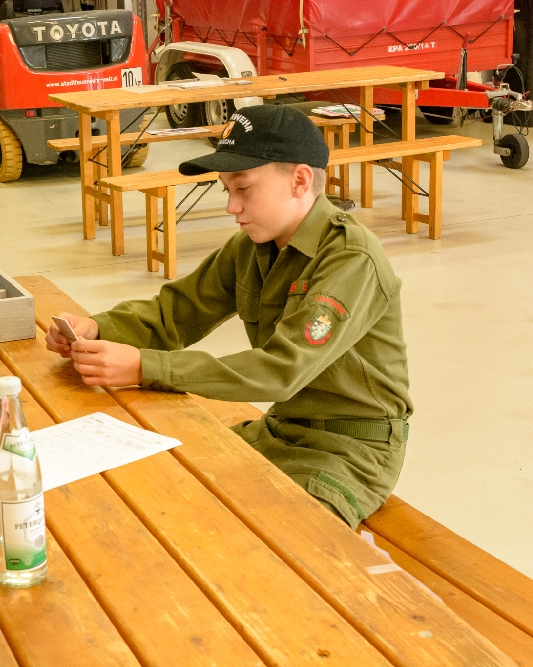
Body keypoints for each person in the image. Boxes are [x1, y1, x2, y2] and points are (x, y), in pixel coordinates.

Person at [46, 104, 412, 529]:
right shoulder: (253, 248)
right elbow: (174, 312)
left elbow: (281, 370)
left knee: (278, 540)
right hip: (281, 429)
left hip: (349, 451)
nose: (231, 206)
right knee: (158, 490)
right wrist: (97, 328)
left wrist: (146, 366)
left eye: (244, 188)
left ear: (299, 181)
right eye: (226, 190)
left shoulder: (350, 257)